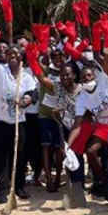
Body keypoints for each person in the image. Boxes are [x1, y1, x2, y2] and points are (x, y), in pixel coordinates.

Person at [0, 28, 37, 203]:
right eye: (9, 54)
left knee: (18, 153)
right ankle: (3, 187)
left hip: (18, 120)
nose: (12, 56)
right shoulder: (1, 72)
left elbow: (33, 94)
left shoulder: (26, 76)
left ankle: (18, 185)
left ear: (21, 57)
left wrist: (25, 101)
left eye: (16, 54)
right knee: (1, 154)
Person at [29, 47, 82, 193]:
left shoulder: (77, 83)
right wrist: (31, 55)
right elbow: (40, 76)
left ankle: (60, 177)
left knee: (61, 148)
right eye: (55, 56)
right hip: (47, 115)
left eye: (61, 55)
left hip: (66, 121)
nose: (58, 58)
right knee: (46, 147)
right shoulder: (53, 78)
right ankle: (49, 179)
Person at [68, 65, 108, 197]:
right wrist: (69, 145)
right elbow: (77, 124)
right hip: (103, 126)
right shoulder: (82, 98)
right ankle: (104, 181)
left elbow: (106, 60)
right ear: (81, 82)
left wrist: (106, 45)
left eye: (89, 75)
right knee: (90, 151)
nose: (87, 78)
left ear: (94, 76)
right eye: (84, 77)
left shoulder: (104, 82)